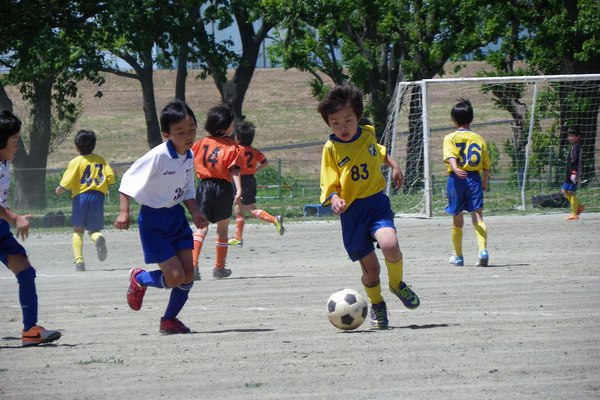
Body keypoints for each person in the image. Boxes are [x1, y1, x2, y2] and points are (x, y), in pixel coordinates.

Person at [318, 85, 420, 330]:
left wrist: (394, 165)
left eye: (348, 120)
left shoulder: (367, 134)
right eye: (335, 123)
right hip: (352, 214)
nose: (343, 127)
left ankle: (397, 284)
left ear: (358, 117)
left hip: (375, 203)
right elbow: (328, 180)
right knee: (372, 271)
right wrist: (335, 198)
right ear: (329, 123)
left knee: (390, 245)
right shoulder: (331, 149)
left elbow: (379, 152)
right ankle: (377, 304)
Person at [114, 100, 208, 334]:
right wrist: (124, 211)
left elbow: (187, 190)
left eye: (192, 129)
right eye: (180, 132)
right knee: (175, 277)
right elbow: (128, 180)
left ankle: (169, 320)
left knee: (188, 275)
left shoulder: (189, 155)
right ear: (167, 134)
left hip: (176, 218)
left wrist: (195, 211)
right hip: (154, 222)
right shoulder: (158, 156)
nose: (188, 135)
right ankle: (140, 278)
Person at [0, 110, 61, 346]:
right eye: (15, 140)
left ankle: (30, 330)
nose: (18, 145)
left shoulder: (4, 163)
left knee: (25, 272)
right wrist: (14, 218)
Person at [191, 104, 242, 280]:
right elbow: (234, 169)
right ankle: (219, 268)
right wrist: (239, 190)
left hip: (204, 186)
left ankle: (193, 265)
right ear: (225, 126)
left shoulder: (202, 143)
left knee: (201, 227)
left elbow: (188, 158)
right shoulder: (232, 146)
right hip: (224, 188)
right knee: (223, 229)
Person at [55, 130, 116, 271]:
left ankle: (79, 261)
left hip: (81, 197)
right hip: (98, 197)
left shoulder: (76, 162)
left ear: (77, 147)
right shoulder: (100, 160)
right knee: (94, 230)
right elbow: (111, 178)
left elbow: (68, 180)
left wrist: (60, 189)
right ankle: (98, 237)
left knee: (78, 229)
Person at [443, 98, 491, 267]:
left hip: (457, 179)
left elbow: (450, 156)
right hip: (474, 179)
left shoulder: (450, 137)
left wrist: (455, 168)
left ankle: (458, 257)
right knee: (478, 216)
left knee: (457, 219)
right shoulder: (479, 138)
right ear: (472, 118)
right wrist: (484, 182)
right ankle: (482, 251)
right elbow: (486, 165)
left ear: (453, 119)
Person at [227, 120, 284, 247]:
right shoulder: (254, 151)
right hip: (250, 179)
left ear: (238, 137)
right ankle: (238, 238)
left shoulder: (236, 150)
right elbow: (265, 162)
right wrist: (255, 170)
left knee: (248, 208)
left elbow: (233, 167)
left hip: (241, 180)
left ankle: (274, 219)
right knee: (240, 208)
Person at [561, 126, 585, 220]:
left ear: (578, 136)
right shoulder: (573, 146)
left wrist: (574, 172)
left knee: (571, 192)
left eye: (572, 136)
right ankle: (578, 207)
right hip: (569, 172)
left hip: (574, 172)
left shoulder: (576, 147)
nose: (570, 138)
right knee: (564, 191)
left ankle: (574, 214)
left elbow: (575, 160)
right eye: (569, 136)